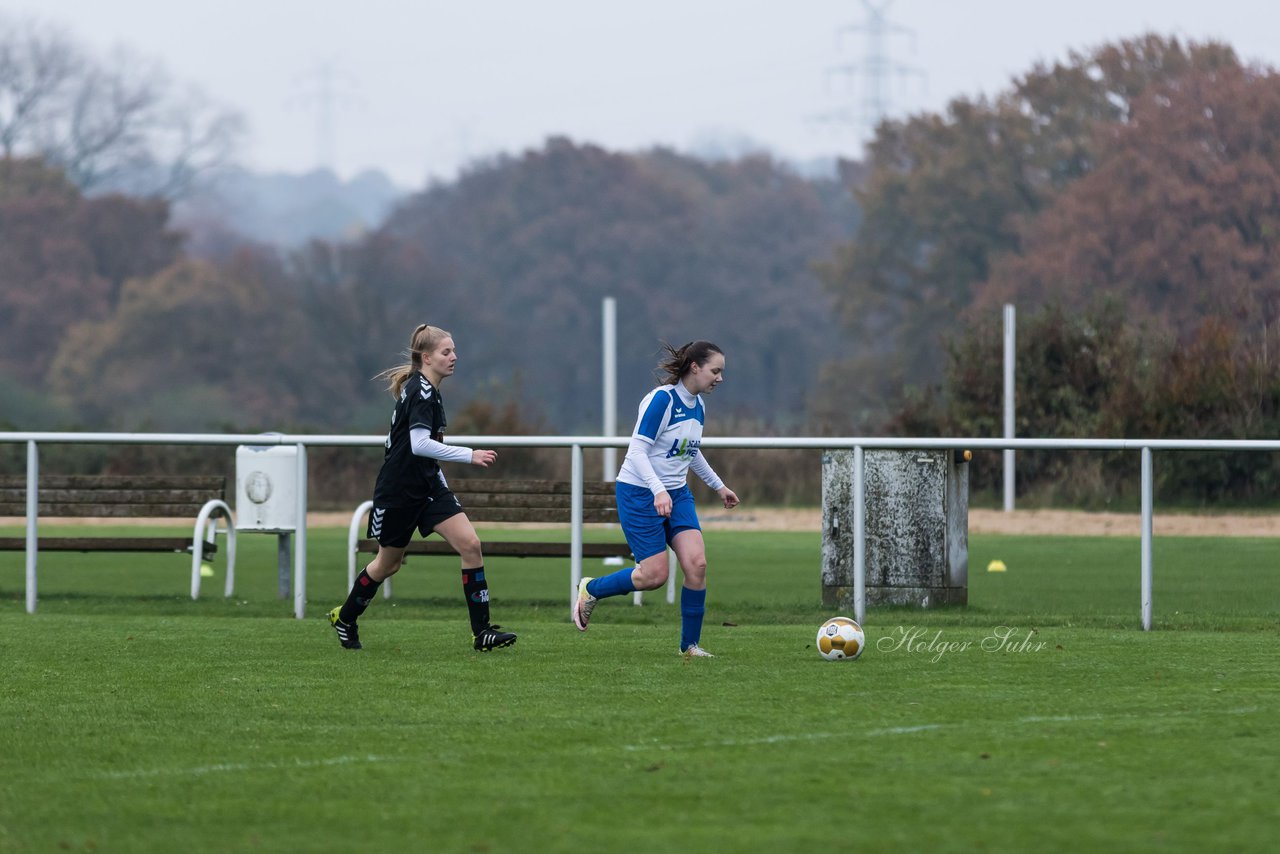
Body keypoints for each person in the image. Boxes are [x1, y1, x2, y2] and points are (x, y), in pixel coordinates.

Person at [328, 324, 517, 652]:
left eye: (454, 350)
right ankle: (345, 617)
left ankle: (482, 631)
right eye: (446, 352)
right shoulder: (420, 391)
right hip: (398, 493)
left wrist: (441, 484)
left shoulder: (429, 390)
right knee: (389, 564)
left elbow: (426, 451)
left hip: (428, 488)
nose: (454, 357)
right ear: (426, 358)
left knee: (471, 545)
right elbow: (419, 445)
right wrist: (468, 456)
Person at [573, 340, 739, 657]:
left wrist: (719, 486)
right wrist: (657, 489)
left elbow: (690, 453)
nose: (719, 378)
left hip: (676, 493)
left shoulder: (699, 406)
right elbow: (637, 451)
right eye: (715, 371)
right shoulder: (662, 401)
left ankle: (689, 646)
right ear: (695, 367)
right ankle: (591, 589)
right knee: (654, 576)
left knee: (697, 565)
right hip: (639, 492)